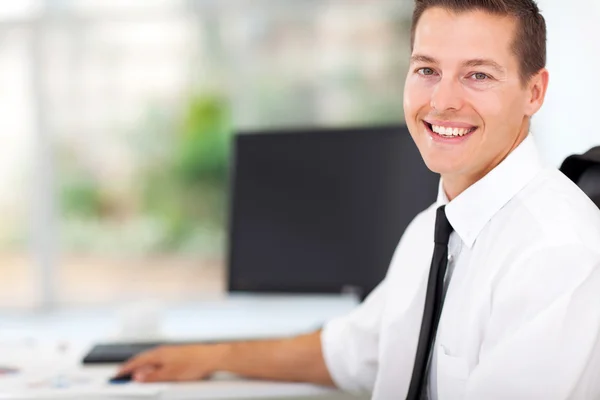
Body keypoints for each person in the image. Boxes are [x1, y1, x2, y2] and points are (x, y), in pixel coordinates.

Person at [117, 0, 600, 398]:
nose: (443, 100)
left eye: (478, 75)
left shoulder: (557, 251)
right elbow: (350, 351)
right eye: (427, 69)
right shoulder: (431, 231)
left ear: (534, 91)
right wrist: (206, 358)